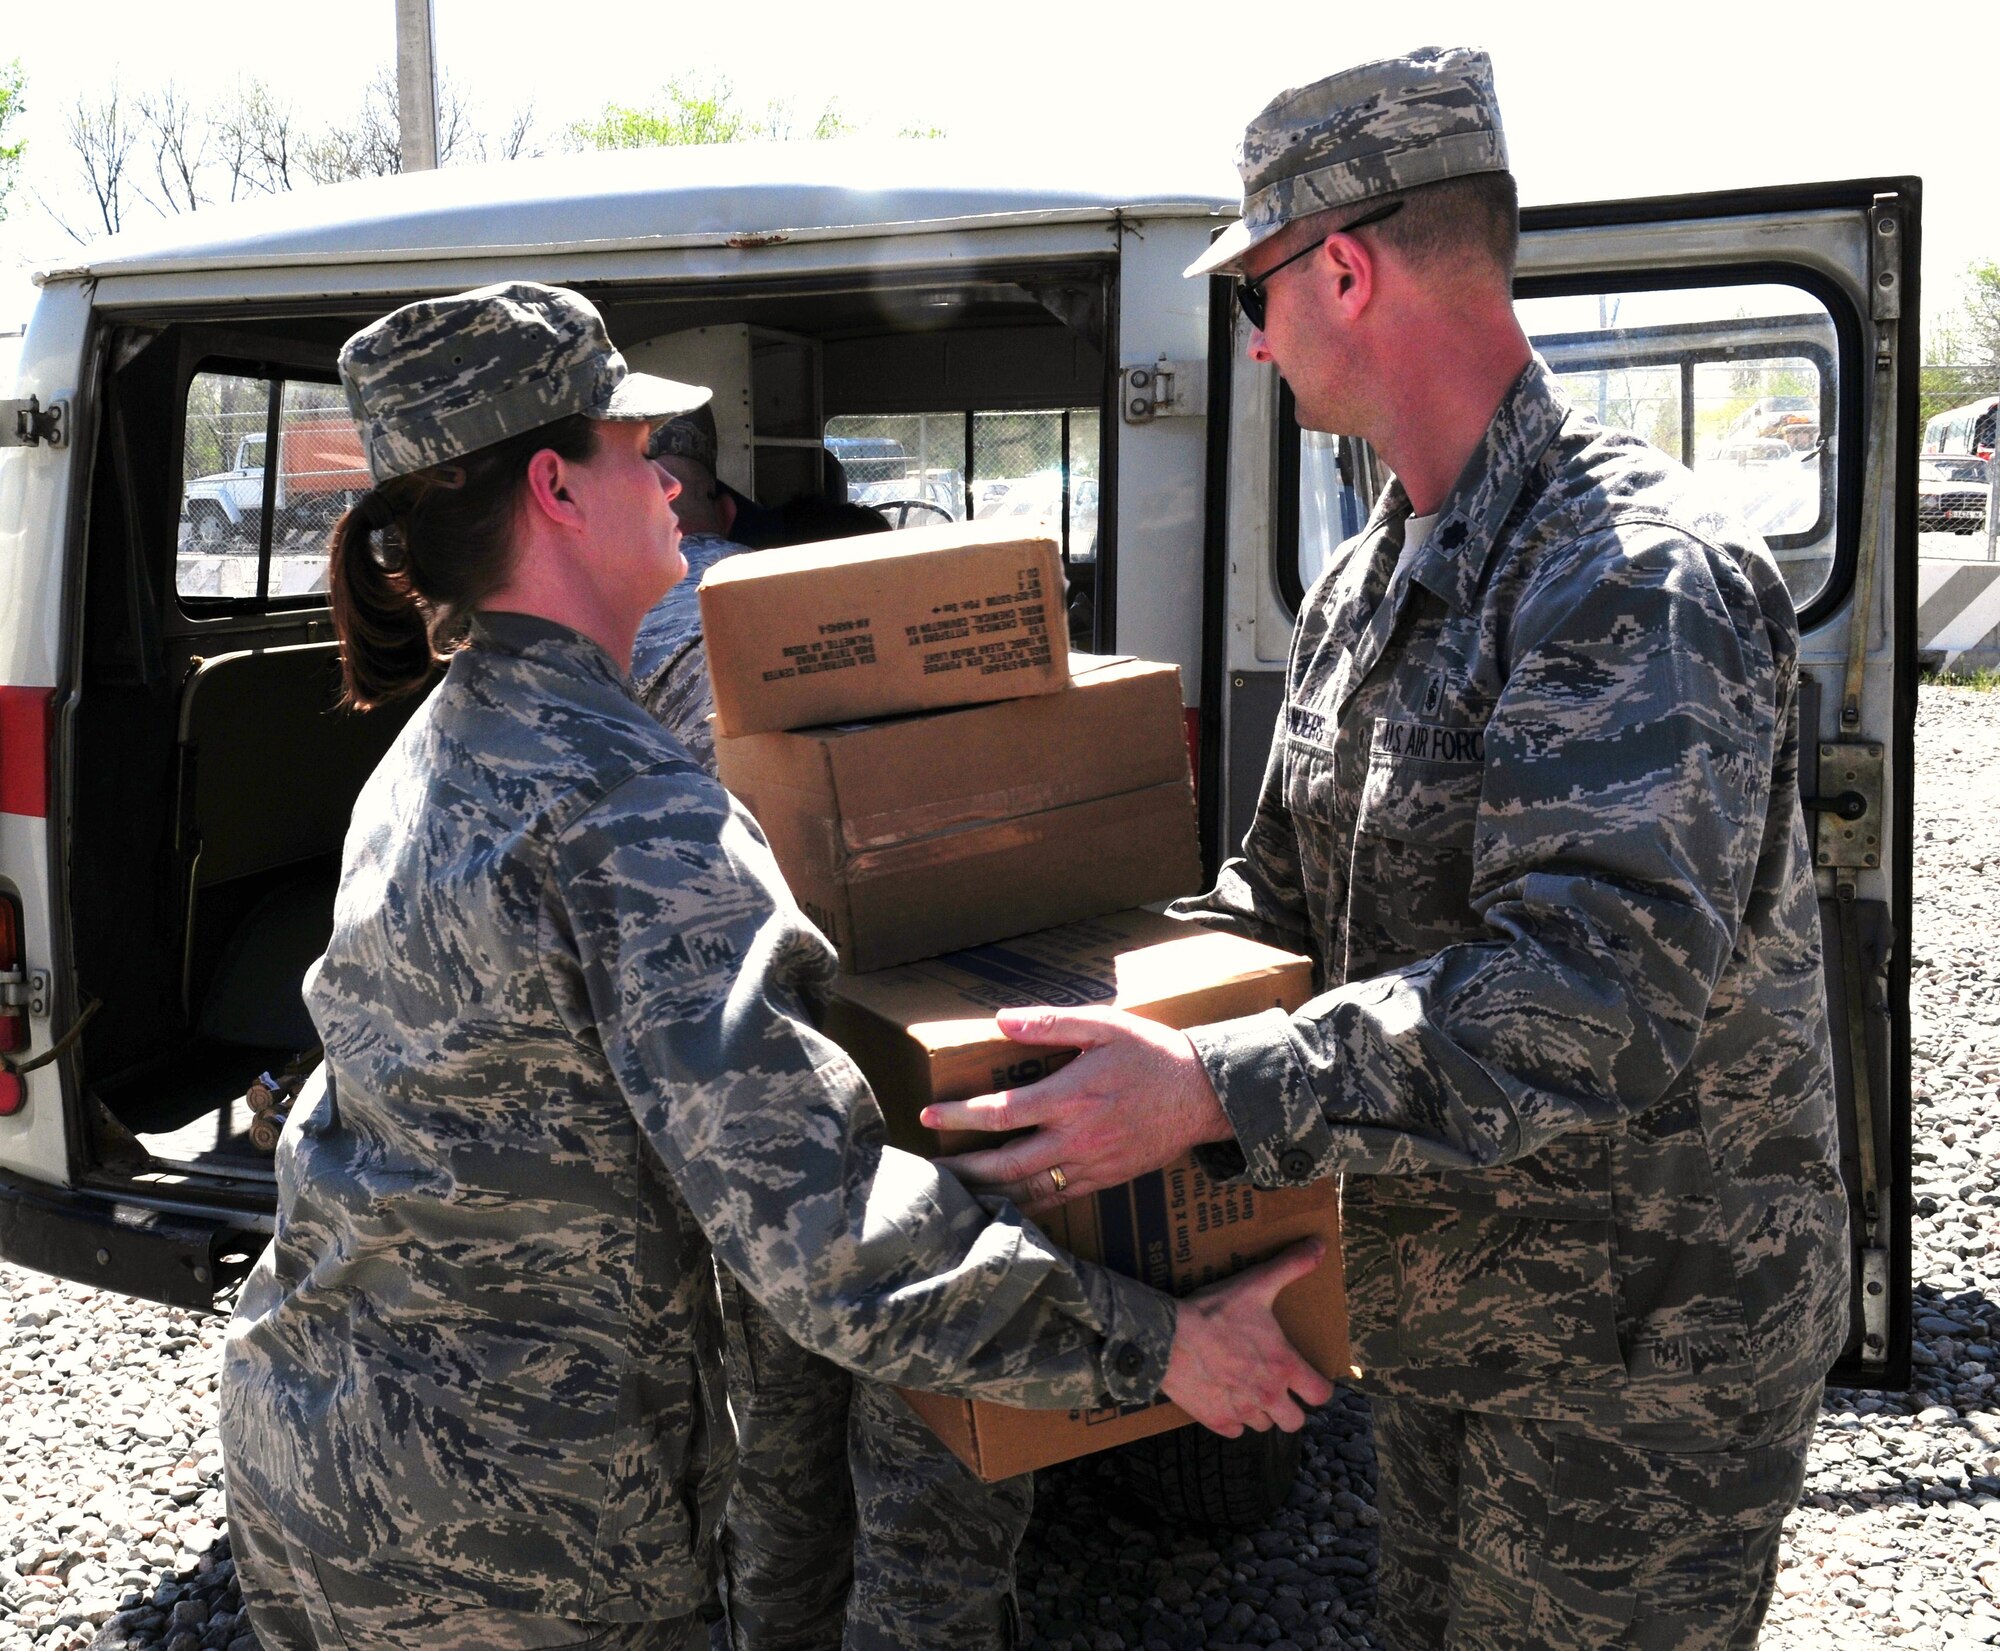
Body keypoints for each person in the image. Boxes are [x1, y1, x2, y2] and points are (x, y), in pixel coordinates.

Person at [216, 280, 1333, 1651]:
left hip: (327, 1457)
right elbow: (822, 1233)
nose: (676, 481)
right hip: (511, 1547)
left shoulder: (444, 741)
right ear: (558, 488)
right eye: (637, 448)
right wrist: (1164, 1344)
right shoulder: (626, 802)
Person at [927, 48, 1850, 1651]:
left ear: (1339, 268)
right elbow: (1272, 906)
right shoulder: (1370, 579)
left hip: (1640, 1358)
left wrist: (1212, 1090)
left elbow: (1592, 994)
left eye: (1253, 297)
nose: (1259, 338)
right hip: (1450, 1314)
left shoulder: (1629, 574)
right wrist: (1021, 983)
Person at [630, 416, 1036, 1651]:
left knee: (777, 1452)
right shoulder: (815, 601)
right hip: (943, 1077)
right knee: (936, 1481)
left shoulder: (617, 653)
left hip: (757, 1114)